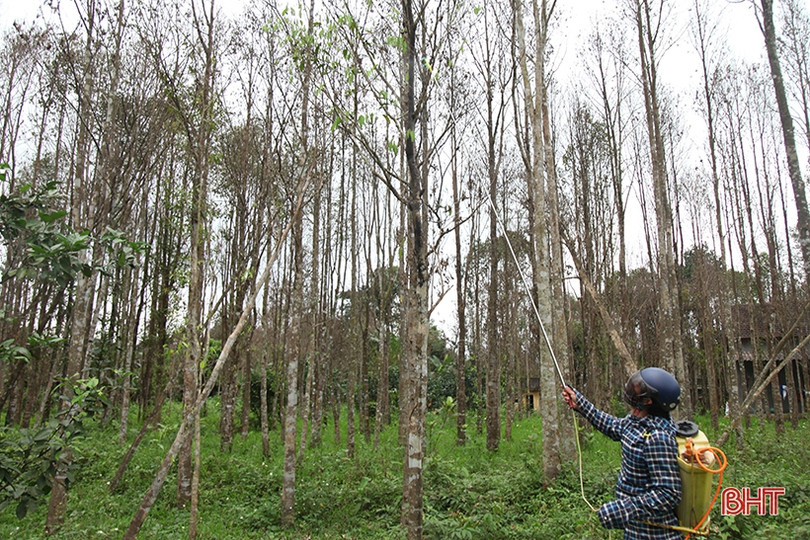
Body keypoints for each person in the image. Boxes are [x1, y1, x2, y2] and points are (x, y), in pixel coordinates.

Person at [562, 367, 683, 540]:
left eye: (638, 390)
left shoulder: (657, 437)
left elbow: (669, 493)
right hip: (635, 530)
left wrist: (625, 509)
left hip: (655, 534)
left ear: (649, 401)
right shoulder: (636, 422)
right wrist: (579, 402)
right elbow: (611, 425)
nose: (632, 390)